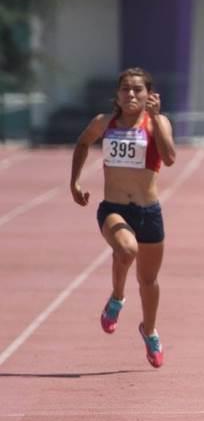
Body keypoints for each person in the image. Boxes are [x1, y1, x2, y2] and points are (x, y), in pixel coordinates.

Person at [70, 67, 176, 368]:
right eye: (125, 89)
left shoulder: (157, 123)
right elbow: (81, 143)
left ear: (149, 94)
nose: (131, 94)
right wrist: (74, 182)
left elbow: (169, 158)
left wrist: (156, 118)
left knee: (148, 279)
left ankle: (150, 331)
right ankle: (117, 298)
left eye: (137, 89)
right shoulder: (105, 123)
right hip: (114, 208)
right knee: (126, 249)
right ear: (117, 94)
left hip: (149, 211)